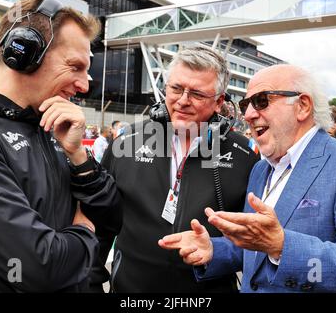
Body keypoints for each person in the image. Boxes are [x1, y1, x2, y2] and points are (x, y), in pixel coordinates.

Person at [0, 0, 121, 292]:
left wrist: (78, 156)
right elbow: (40, 266)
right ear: (23, 52)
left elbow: (113, 217)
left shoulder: (53, 125)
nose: (85, 84)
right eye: (75, 66)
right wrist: (85, 228)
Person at [159, 64, 336, 293]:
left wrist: (281, 246)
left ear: (302, 106)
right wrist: (212, 249)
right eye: (245, 104)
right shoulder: (261, 170)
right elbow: (255, 248)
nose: (248, 114)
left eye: (262, 101)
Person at [101, 45, 259, 293]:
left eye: (196, 94)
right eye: (176, 89)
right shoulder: (126, 141)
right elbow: (99, 219)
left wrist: (217, 252)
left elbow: (255, 241)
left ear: (219, 102)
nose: (183, 101)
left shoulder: (246, 155)